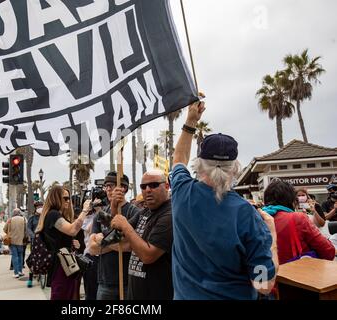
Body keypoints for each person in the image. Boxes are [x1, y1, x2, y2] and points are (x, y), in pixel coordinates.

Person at [171, 101, 278, 300]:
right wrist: (271, 235)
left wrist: (191, 121)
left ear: (199, 164)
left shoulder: (181, 192)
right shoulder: (247, 215)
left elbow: (179, 158)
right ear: (235, 167)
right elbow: (263, 284)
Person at [110, 170, 173, 300]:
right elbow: (118, 235)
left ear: (167, 186)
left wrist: (125, 226)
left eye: (154, 185)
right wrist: (114, 206)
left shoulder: (170, 215)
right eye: (143, 187)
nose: (148, 190)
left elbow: (148, 256)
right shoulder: (145, 212)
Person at [89, 171, 140, 300]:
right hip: (105, 282)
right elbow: (92, 248)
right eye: (106, 186)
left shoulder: (135, 212)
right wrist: (118, 243)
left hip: (129, 281)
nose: (108, 190)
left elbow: (131, 246)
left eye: (111, 185)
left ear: (123, 188)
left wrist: (102, 241)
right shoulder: (100, 215)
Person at [263, 180, 336, 265]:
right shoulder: (297, 218)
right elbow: (328, 251)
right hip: (293, 273)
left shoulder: (256, 219)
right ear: (291, 199)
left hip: (264, 274)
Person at [36, 185, 91, 300]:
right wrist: (85, 210)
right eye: (65, 198)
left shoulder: (57, 215)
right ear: (55, 198)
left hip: (65, 265)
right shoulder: (53, 214)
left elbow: (61, 237)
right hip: (61, 266)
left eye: (69, 198)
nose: (68, 201)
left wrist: (71, 243)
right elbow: (72, 230)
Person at [3, 208, 27, 278]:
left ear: (13, 213)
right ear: (19, 213)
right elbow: (26, 230)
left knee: (15, 256)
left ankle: (16, 272)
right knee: (20, 256)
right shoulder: (24, 219)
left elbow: (4, 229)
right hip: (21, 241)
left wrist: (10, 232)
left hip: (12, 241)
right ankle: (20, 271)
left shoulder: (10, 220)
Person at [26, 201, 43, 287]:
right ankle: (30, 278)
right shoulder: (32, 218)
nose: (40, 208)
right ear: (35, 208)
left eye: (41, 206)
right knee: (33, 259)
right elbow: (28, 228)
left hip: (44, 240)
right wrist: (33, 236)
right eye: (38, 206)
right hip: (35, 241)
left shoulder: (45, 217)